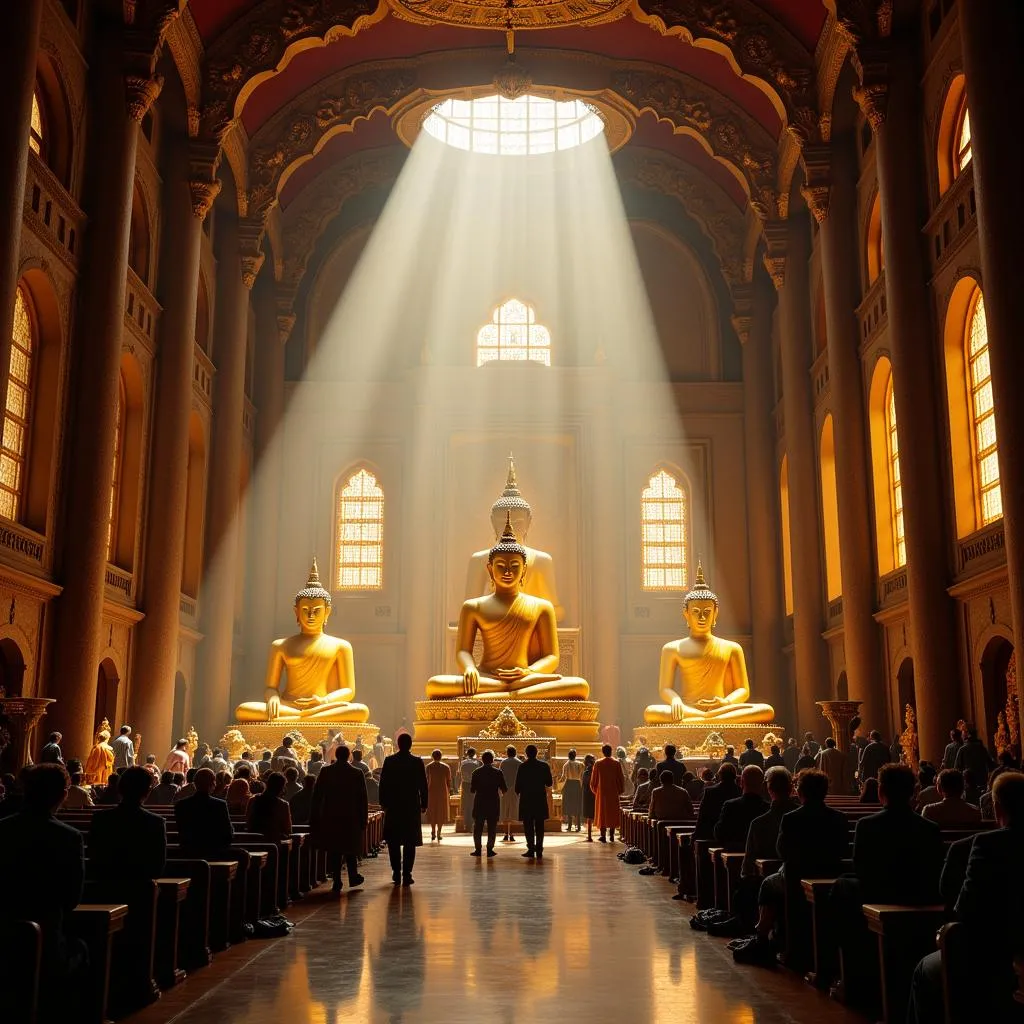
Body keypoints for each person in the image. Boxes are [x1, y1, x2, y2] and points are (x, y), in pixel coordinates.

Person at [907, 771, 1024, 1023]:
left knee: (925, 970)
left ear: (996, 806)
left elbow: (967, 909)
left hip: (994, 953)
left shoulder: (986, 844)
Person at [0, 764, 86, 996]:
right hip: (48, 937)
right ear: (63, 795)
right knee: (84, 947)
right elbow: (71, 898)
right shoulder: (68, 836)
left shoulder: (3, 829)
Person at [88, 766, 167, 881]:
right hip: (140, 888)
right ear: (147, 791)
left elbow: (94, 856)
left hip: (104, 886)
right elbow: (158, 866)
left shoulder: (100, 818)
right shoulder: (155, 822)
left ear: (120, 788)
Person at [310, 745, 367, 893]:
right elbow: (362, 799)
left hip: (331, 815)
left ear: (336, 755)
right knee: (350, 848)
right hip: (351, 815)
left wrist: (316, 816)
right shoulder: (356, 773)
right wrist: (363, 818)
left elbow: (317, 796)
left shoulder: (326, 771)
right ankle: (353, 876)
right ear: (349, 756)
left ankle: (337, 880)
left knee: (335, 849)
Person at [378, 732, 428, 885]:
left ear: (398, 744)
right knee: (409, 841)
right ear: (410, 745)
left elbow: (383, 784)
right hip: (411, 805)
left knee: (393, 841)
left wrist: (383, 803)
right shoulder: (416, 762)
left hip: (394, 805)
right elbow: (423, 785)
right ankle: (407, 873)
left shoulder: (390, 761)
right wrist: (424, 803)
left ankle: (396, 871)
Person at [741, 766, 798, 877]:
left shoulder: (758, 824)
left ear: (767, 789)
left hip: (767, 879)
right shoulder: (802, 817)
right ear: (791, 788)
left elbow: (747, 868)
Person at [175, 767, 234, 858]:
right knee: (243, 855)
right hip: (214, 850)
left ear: (195, 784)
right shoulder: (219, 805)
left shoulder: (181, 805)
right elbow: (227, 832)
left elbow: (181, 830)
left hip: (188, 850)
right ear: (213, 784)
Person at [714, 765, 768, 848]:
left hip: (733, 853)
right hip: (761, 854)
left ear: (741, 782)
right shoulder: (767, 808)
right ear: (763, 784)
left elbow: (719, 834)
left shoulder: (730, 806)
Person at [516, 744, 553, 858]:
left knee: (528, 825)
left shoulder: (522, 767)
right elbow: (549, 783)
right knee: (540, 826)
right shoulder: (544, 766)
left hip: (526, 799)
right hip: (539, 799)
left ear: (526, 754)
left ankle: (531, 849)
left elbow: (517, 786)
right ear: (537, 753)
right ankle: (539, 849)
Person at [470, 750, 507, 857]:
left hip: (480, 802)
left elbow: (472, 790)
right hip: (493, 802)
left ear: (482, 760)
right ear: (492, 760)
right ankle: (490, 849)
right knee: (492, 827)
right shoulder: (498, 772)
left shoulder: (476, 772)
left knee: (478, 828)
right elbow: (504, 789)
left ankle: (478, 849)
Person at [694, 762, 740, 841]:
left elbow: (702, 815)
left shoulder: (710, 792)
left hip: (710, 835)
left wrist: (696, 834)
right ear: (735, 776)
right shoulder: (740, 792)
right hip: (736, 837)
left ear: (720, 775)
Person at [590, 743, 625, 843]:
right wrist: (620, 790)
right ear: (611, 751)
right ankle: (612, 835)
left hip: (602, 793)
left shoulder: (598, 763)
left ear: (603, 752)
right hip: (613, 792)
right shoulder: (616, 763)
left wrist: (596, 791)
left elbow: (594, 780)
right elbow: (620, 779)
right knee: (612, 812)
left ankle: (603, 835)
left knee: (602, 813)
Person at [246, 771, 293, 842]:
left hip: (253, 841)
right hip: (273, 843)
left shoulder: (252, 800)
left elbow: (248, 821)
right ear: (282, 788)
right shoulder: (283, 805)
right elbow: (288, 830)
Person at [425, 749, 451, 841]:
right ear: (441, 756)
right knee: (441, 812)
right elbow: (448, 781)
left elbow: (426, 780)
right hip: (442, 792)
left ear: (432, 756)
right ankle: (439, 832)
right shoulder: (446, 767)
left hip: (431, 791)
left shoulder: (428, 767)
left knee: (433, 811)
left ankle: (432, 831)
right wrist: (449, 791)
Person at [499, 746, 522, 842]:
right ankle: (512, 834)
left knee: (505, 811)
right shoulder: (519, 763)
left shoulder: (503, 762)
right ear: (515, 753)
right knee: (514, 812)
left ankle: (505, 834)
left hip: (505, 789)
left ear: (507, 753)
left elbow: (500, 776)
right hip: (516, 789)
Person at [559, 749, 584, 831]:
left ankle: (569, 826)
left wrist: (557, 781)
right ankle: (579, 826)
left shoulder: (566, 765)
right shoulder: (580, 764)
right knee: (577, 804)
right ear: (575, 756)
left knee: (569, 805)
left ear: (568, 756)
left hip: (569, 785)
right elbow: (581, 776)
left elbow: (563, 778)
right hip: (577, 785)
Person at [458, 747, 482, 830]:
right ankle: (472, 823)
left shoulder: (463, 762)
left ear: (467, 754)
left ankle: (466, 824)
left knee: (466, 804)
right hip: (474, 784)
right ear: (474, 754)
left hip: (465, 784)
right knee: (473, 803)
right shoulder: (477, 763)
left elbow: (459, 774)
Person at [581, 754, 596, 841]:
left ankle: (589, 836)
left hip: (587, 794)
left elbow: (584, 784)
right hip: (595, 794)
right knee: (596, 813)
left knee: (589, 816)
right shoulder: (596, 771)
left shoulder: (586, 772)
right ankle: (603, 835)